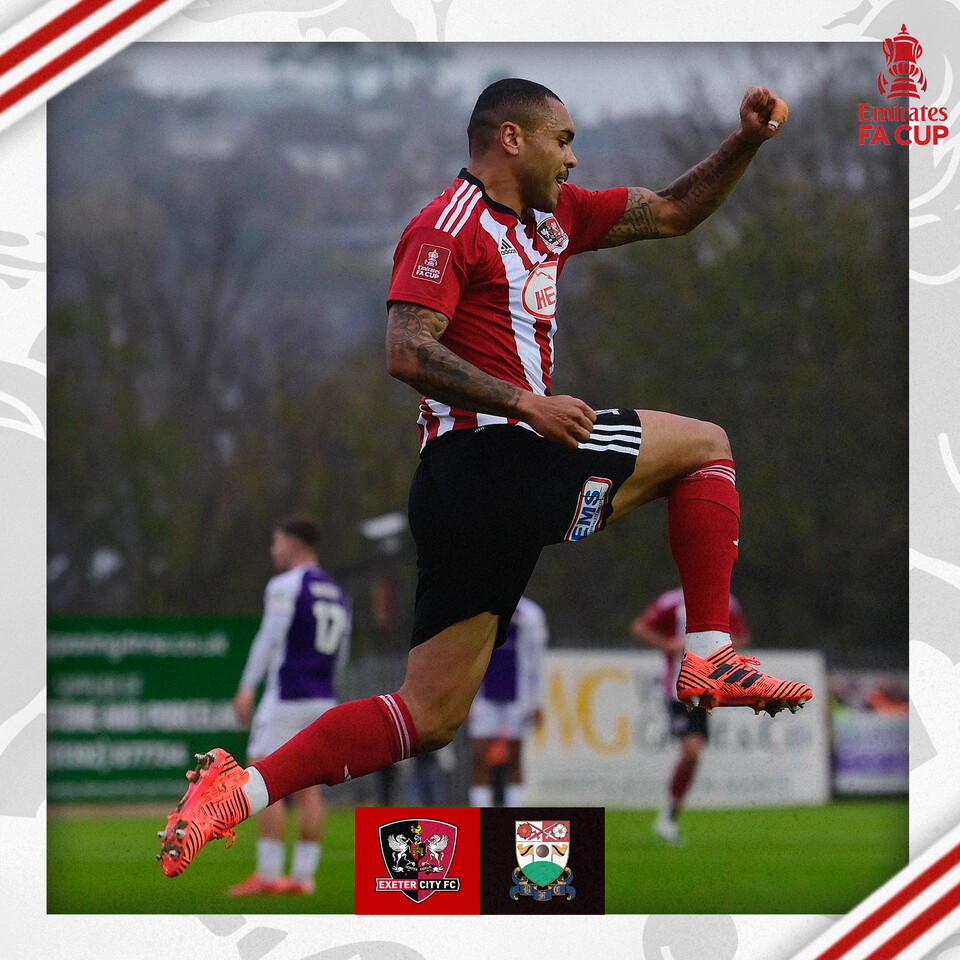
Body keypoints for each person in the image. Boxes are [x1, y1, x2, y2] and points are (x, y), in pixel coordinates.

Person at [157, 77, 813, 878]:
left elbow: (673, 210)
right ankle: (709, 652)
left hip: (468, 489)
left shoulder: (557, 218)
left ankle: (239, 791)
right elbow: (406, 349)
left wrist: (745, 141)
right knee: (706, 446)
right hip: (488, 461)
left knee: (428, 717)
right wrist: (523, 403)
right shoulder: (445, 227)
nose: (574, 157)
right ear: (511, 138)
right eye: (563, 139)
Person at [224, 518, 351, 895]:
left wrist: (247, 687)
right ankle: (303, 878)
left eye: (276, 542)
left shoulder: (286, 585)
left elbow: (270, 637)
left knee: (263, 778)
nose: (272, 550)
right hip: (324, 698)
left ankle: (268, 874)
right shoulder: (338, 592)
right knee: (310, 791)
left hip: (287, 697)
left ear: (293, 545)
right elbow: (341, 654)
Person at [632, 587, 750, 845]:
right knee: (692, 751)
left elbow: (741, 637)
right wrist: (668, 645)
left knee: (694, 756)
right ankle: (668, 817)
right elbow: (640, 627)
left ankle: (669, 816)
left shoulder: (727, 601)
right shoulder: (671, 601)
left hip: (707, 689)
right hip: (678, 690)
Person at [468, 595, 547, 807]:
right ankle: (480, 817)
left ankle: (515, 819)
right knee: (480, 758)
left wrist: (537, 701)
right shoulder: (477, 608)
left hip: (517, 695)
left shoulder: (530, 614)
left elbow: (536, 661)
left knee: (515, 758)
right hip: (484, 695)